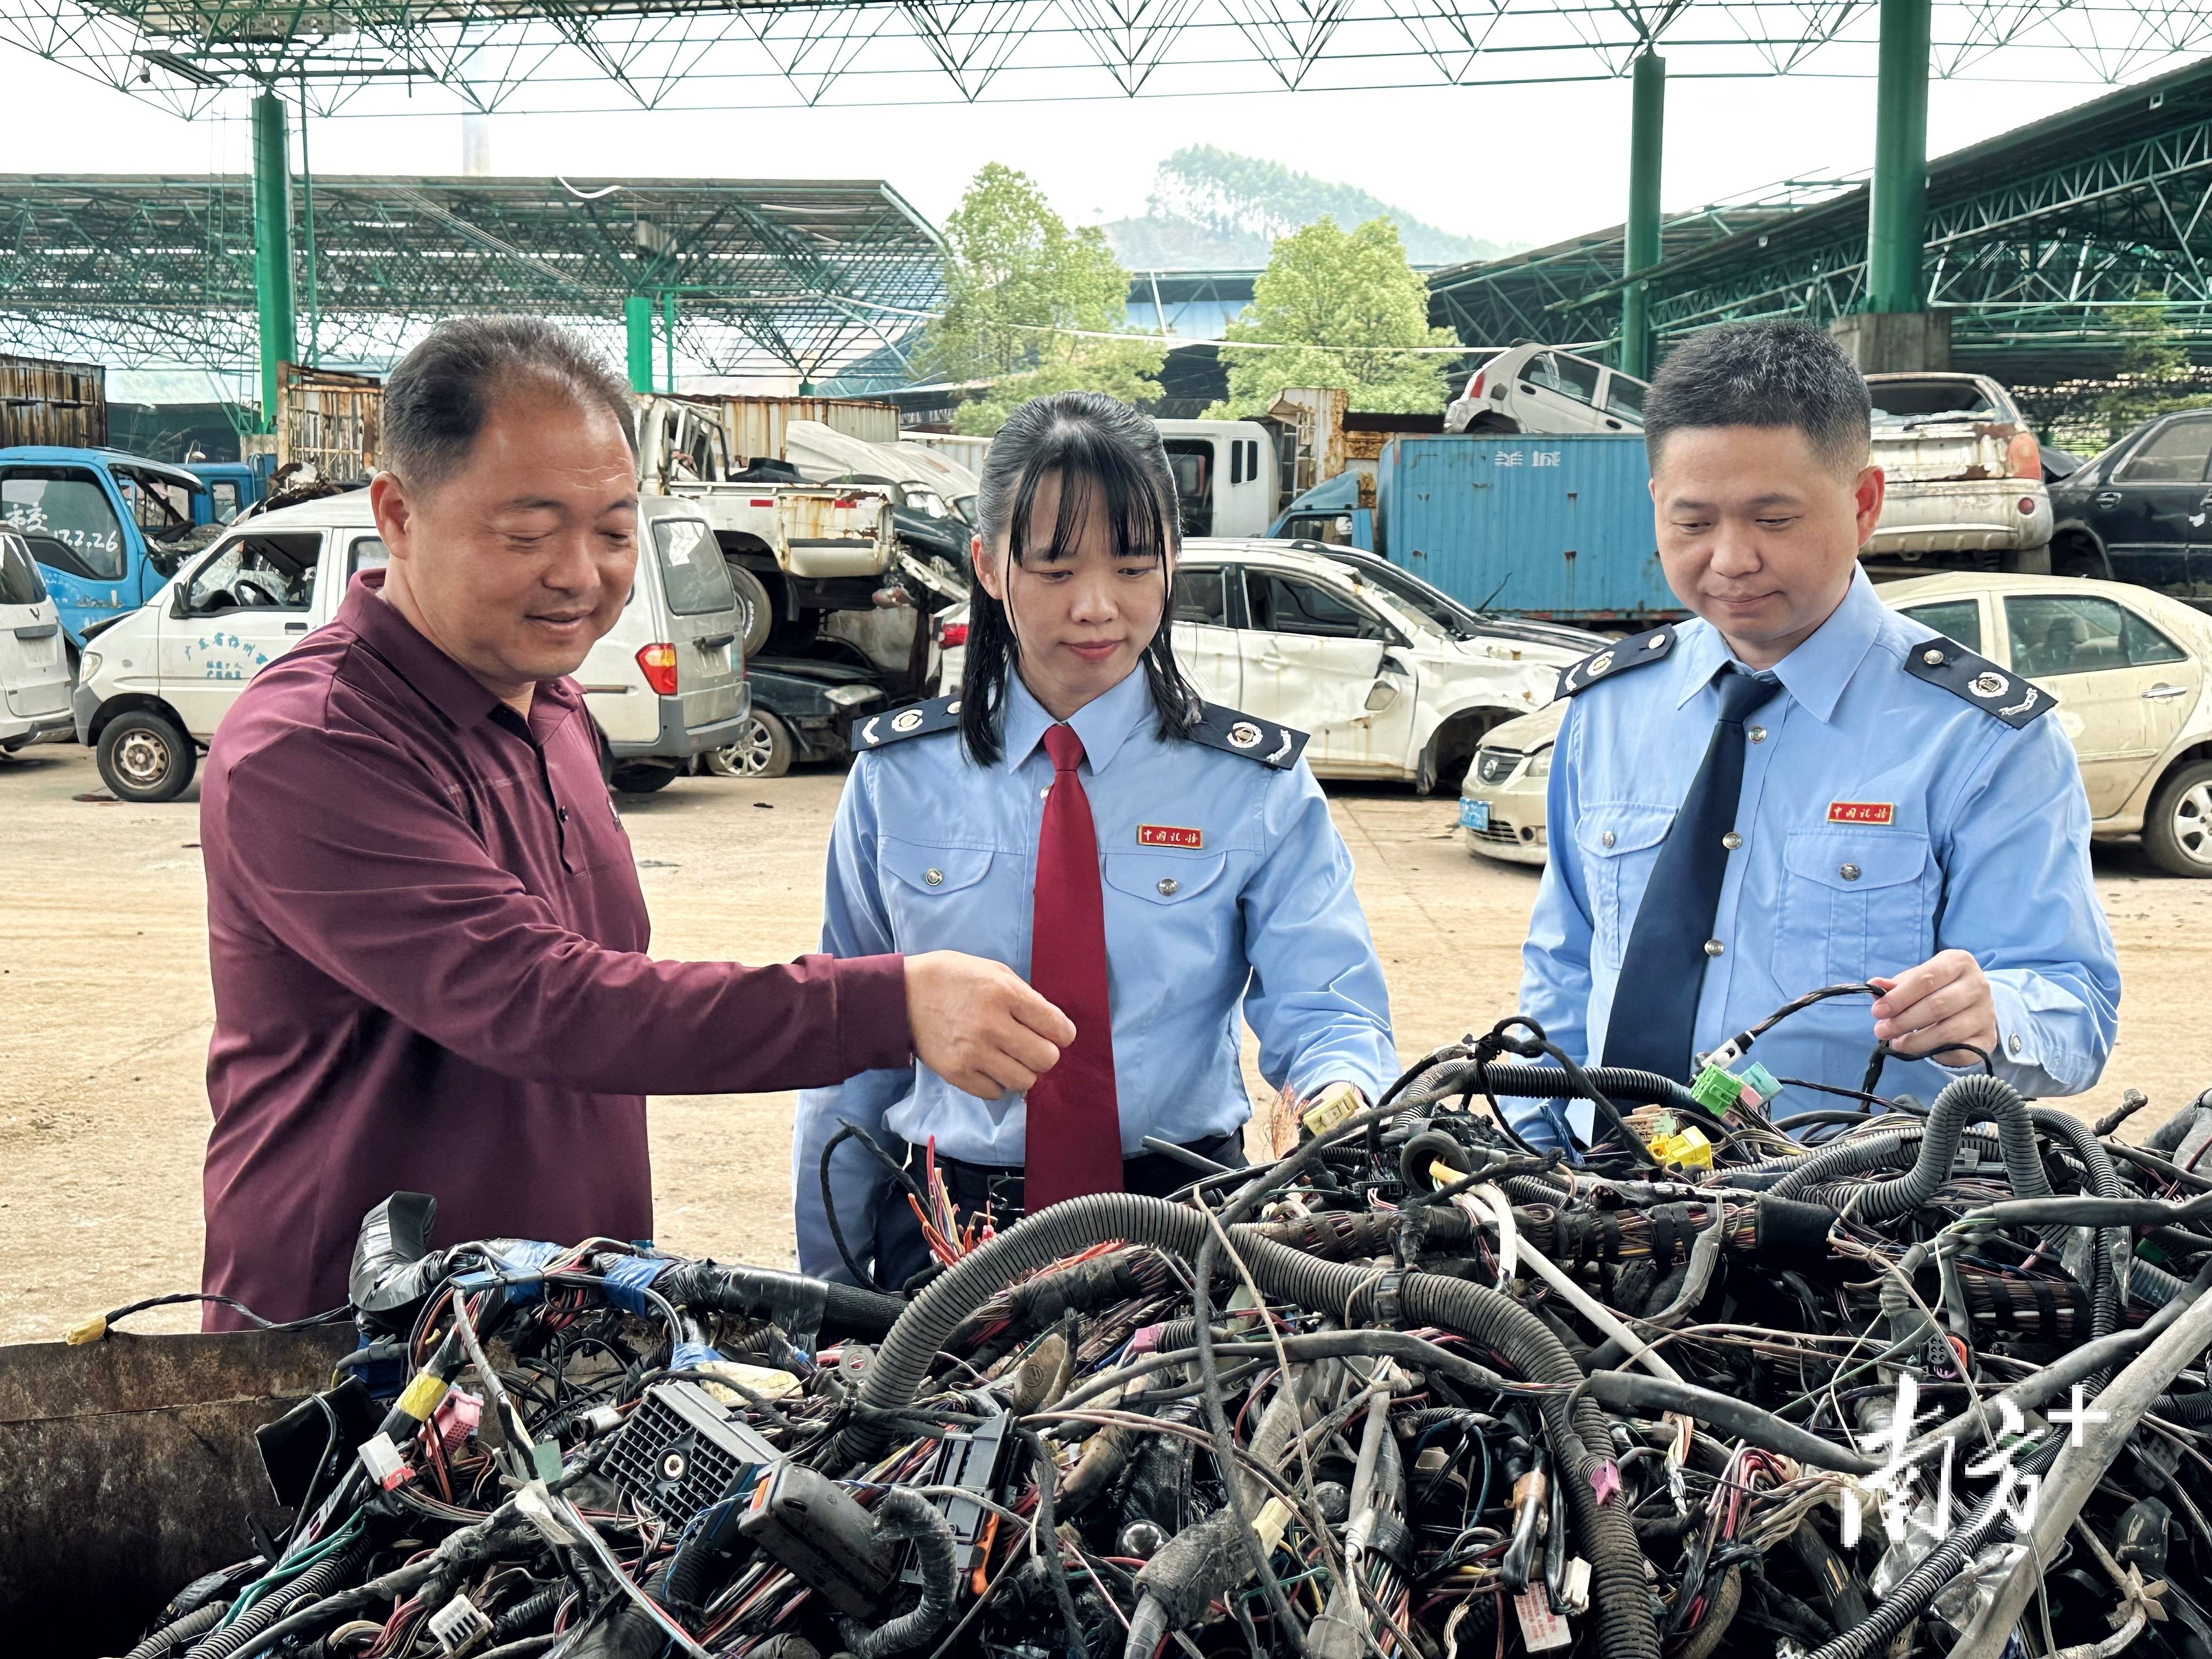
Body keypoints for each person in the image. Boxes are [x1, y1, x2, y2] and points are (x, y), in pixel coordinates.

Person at [198, 317, 1074, 1324]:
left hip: (568, 1318)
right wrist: (887, 1005)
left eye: (614, 530)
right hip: (356, 1350)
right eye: (528, 534)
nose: (580, 573)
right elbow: (543, 1002)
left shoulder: (556, 710)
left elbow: (608, 998)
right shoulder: (312, 746)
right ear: (397, 513)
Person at [792, 391, 1399, 1288]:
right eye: (1056, 568)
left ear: (1172, 562)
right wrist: (827, 1293)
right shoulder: (899, 778)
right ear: (989, 567)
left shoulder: (1252, 788)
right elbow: (850, 1048)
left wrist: (1339, 1091)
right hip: (948, 1229)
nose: (1096, 607)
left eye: (1130, 565)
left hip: (1187, 1227)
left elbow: (1328, 1009)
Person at [1517, 321, 2119, 1150]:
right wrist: (1538, 1142)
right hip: (1606, 1210)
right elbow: (1565, 965)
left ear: (1864, 504)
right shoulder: (1610, 708)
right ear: (1657, 503)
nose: (1731, 560)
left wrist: (1998, 1015)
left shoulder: (1979, 741)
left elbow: (2075, 1006)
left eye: (1774, 519)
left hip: (1854, 1230)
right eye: (1693, 524)